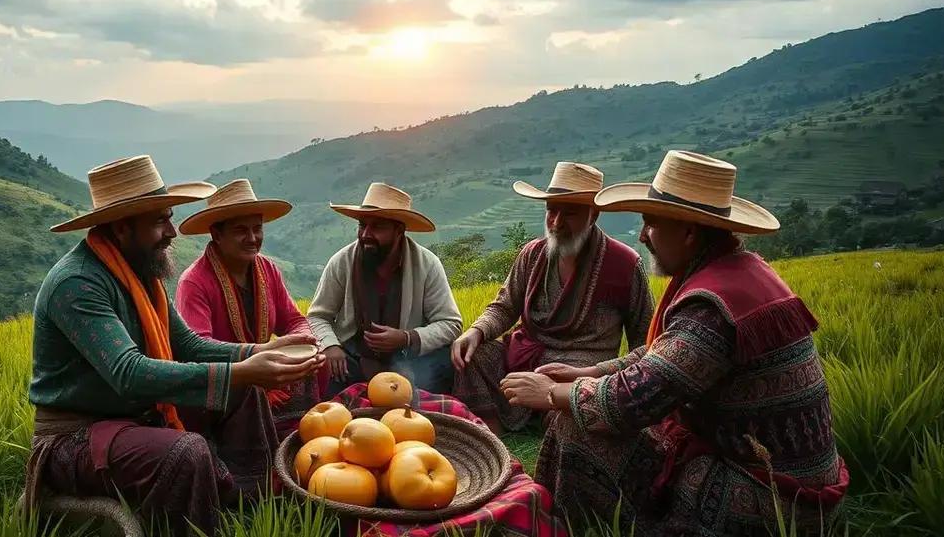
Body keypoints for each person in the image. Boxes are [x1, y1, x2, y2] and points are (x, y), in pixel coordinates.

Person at [504, 151, 848, 535]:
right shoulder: (739, 273)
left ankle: (575, 526)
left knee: (577, 426)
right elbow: (661, 359)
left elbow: (633, 400)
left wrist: (552, 393)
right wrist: (590, 372)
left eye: (651, 223)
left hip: (771, 498)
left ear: (688, 232)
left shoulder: (711, 307)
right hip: (785, 476)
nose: (642, 235)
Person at [24, 156, 323, 535]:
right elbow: (128, 373)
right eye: (160, 220)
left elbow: (187, 345)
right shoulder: (79, 284)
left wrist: (257, 354)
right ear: (121, 227)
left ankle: (249, 504)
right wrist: (241, 369)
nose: (172, 231)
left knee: (245, 391)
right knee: (187, 453)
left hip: (137, 415)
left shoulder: (140, 273)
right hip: (77, 437)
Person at [450, 162, 654, 433]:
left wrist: (597, 372)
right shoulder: (532, 254)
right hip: (525, 354)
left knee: (574, 405)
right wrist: (475, 332)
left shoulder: (625, 264)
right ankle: (489, 429)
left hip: (580, 368)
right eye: (552, 210)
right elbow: (504, 306)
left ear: (593, 215)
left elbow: (649, 342)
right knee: (472, 356)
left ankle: (544, 418)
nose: (557, 222)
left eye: (569, 213)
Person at [175, 178, 327, 438]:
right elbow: (197, 349)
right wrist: (253, 361)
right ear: (217, 234)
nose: (253, 238)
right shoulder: (194, 282)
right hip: (230, 378)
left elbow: (292, 319)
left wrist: (305, 342)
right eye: (241, 230)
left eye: (257, 228)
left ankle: (300, 432)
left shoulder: (267, 269)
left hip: (266, 368)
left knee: (316, 364)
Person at [307, 182, 462, 395]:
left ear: (399, 231)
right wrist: (331, 346)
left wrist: (406, 338)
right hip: (354, 358)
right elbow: (318, 317)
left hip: (411, 358)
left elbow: (451, 324)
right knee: (319, 366)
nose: (366, 234)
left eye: (377, 227)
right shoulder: (342, 261)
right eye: (362, 225)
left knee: (449, 361)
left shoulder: (427, 264)